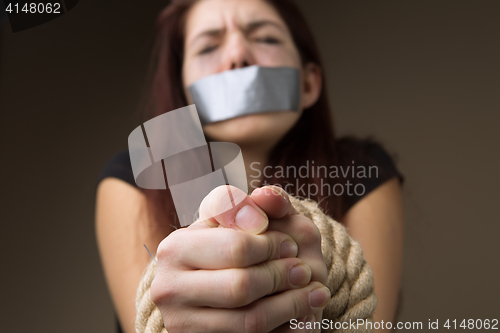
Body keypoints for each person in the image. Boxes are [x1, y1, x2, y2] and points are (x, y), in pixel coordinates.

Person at [95, 0, 404, 332]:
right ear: (187, 95)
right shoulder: (135, 178)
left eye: (267, 39)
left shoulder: (362, 170)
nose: (237, 56)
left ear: (308, 84)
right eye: (208, 47)